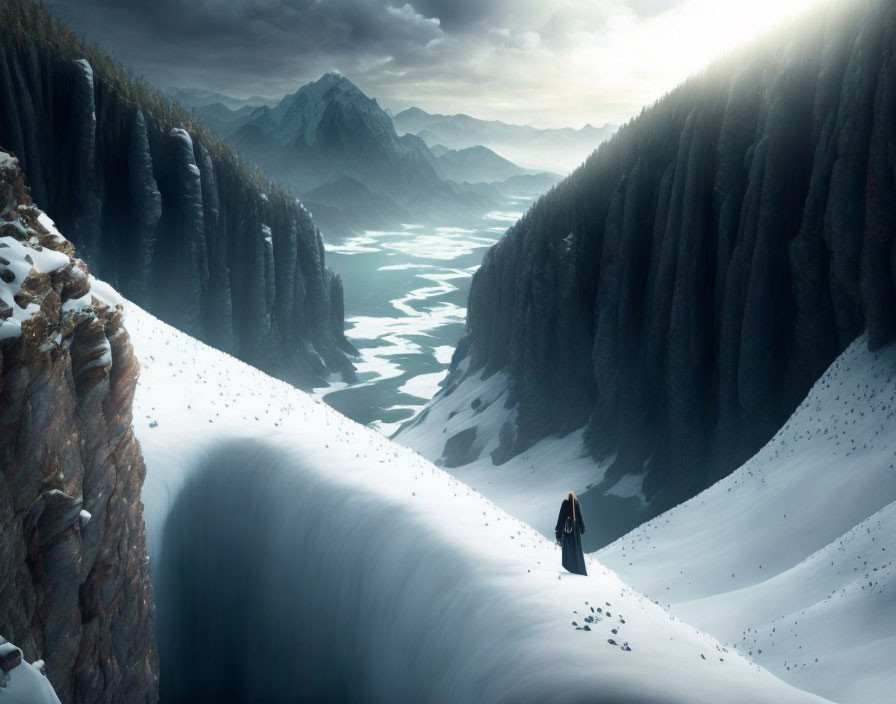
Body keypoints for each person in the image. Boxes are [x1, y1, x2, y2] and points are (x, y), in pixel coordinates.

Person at [554, 491, 587, 575]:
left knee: (568, 547)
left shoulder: (565, 503)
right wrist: (582, 528)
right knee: (576, 548)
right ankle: (578, 568)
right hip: (575, 529)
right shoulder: (576, 503)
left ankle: (569, 566)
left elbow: (561, 517)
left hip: (567, 528)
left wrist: (558, 531)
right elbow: (579, 516)